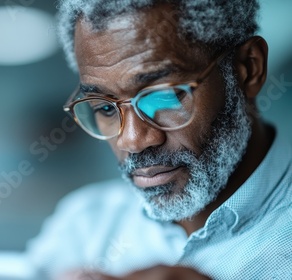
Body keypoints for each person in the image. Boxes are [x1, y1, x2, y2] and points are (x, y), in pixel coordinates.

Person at [26, 1, 292, 279]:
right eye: (105, 108)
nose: (132, 141)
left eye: (164, 97)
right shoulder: (83, 226)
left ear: (248, 68)